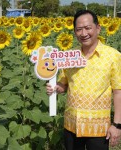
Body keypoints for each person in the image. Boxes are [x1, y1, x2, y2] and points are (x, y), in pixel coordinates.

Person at [46, 10, 121, 150]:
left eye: (88, 28)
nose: (83, 33)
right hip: (71, 124)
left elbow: (118, 92)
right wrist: (55, 88)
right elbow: (64, 84)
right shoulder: (69, 56)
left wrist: (117, 125)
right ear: (75, 32)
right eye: (79, 29)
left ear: (98, 28)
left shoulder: (113, 56)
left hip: (98, 127)